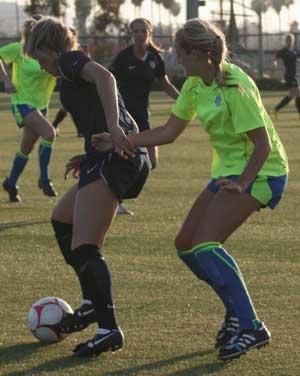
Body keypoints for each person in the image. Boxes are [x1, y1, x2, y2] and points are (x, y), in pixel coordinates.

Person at [92, 19, 289, 361]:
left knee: (206, 244)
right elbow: (168, 132)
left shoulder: (235, 86)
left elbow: (263, 146)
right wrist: (121, 141)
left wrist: (243, 183)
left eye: (182, 54)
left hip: (260, 174)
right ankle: (235, 312)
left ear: (200, 53)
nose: (178, 61)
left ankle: (251, 325)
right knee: (186, 245)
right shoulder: (196, 84)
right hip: (229, 173)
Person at [26, 17, 151, 358]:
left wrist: (113, 131)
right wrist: (92, 151)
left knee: (84, 246)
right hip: (107, 157)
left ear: (48, 48)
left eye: (38, 57)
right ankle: (90, 304)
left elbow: (106, 78)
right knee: (62, 221)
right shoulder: (68, 67)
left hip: (116, 159)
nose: (40, 65)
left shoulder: (68, 61)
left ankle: (109, 329)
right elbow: (112, 107)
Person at [110, 18, 179, 215]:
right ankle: (115, 201)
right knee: (125, 159)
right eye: (136, 31)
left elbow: (165, 84)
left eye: (143, 31)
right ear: (131, 34)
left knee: (151, 162)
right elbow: (109, 82)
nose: (139, 35)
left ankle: (116, 197)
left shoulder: (155, 57)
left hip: (142, 116)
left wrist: (184, 101)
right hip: (123, 117)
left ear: (149, 32)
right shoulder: (123, 57)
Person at [0, 15, 57, 202]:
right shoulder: (19, 49)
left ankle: (11, 182)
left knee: (26, 148)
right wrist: (6, 80)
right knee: (50, 133)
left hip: (42, 105)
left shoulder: (52, 52)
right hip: (22, 103)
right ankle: (44, 179)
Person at [273, 33, 300, 117]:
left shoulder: (294, 51)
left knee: (294, 95)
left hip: (294, 76)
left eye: (291, 40)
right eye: (288, 40)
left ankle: (276, 109)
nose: (289, 41)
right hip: (288, 76)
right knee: (296, 93)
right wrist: (275, 65)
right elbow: (275, 58)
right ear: (285, 41)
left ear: (293, 41)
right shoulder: (283, 51)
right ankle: (276, 109)